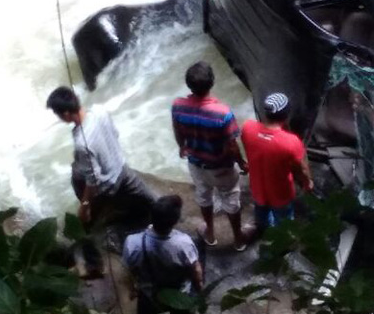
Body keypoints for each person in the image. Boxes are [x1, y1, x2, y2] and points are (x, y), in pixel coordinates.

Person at [46, 86, 159, 271]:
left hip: (108, 187)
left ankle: (82, 253)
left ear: (66, 114)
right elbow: (115, 134)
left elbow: (93, 180)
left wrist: (85, 205)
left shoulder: (82, 143)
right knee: (154, 201)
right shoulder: (100, 111)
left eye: (57, 114)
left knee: (87, 219)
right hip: (123, 170)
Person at [171, 62, 248, 250]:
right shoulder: (222, 113)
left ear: (188, 85)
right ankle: (238, 239)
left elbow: (177, 130)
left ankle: (210, 234)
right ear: (212, 82)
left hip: (196, 163)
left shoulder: (178, 106)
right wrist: (241, 163)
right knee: (230, 198)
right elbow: (231, 145)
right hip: (221, 166)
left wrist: (182, 147)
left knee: (204, 195)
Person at [121, 194, 204, 314]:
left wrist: (132, 289)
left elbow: (128, 270)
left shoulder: (133, 242)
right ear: (175, 221)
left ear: (151, 216)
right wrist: (198, 287)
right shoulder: (184, 243)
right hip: (178, 295)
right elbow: (196, 270)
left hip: (149, 294)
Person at [241, 92, 313, 235]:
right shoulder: (291, 142)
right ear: (287, 114)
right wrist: (307, 183)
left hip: (257, 188)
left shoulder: (247, 128)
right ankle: (282, 240)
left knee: (261, 213)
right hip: (281, 194)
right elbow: (302, 170)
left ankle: (264, 230)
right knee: (284, 223)